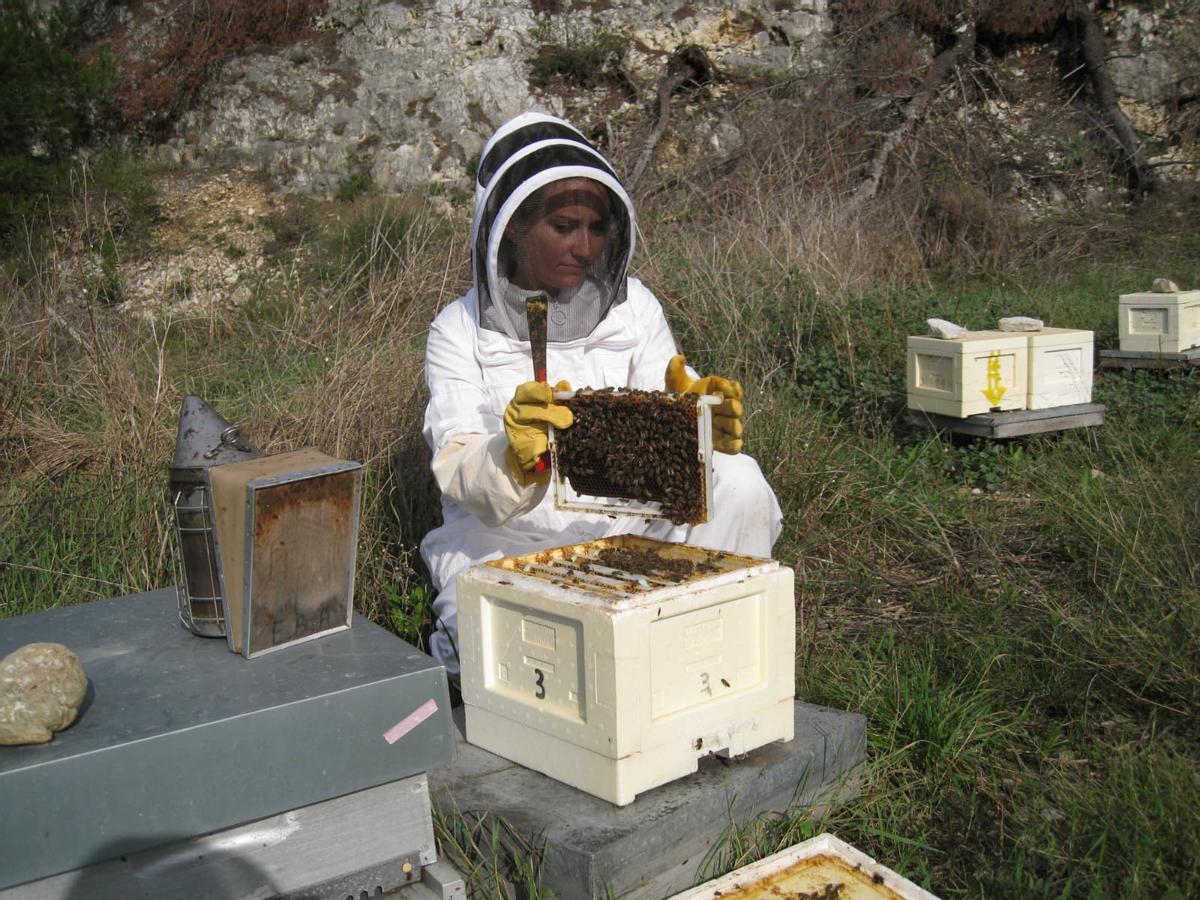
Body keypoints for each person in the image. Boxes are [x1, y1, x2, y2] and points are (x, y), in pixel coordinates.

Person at [420, 112, 783, 675]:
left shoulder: (633, 306)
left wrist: (695, 421)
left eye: (596, 229)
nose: (585, 247)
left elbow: (668, 445)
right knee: (526, 656)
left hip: (626, 522)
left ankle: (710, 662)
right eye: (564, 226)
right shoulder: (456, 329)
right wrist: (513, 456)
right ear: (511, 226)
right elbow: (458, 465)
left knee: (738, 482)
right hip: (507, 539)